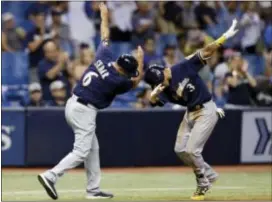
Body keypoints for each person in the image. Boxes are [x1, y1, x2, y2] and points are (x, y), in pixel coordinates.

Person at [37, 3, 144, 200]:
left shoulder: (104, 56)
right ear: (123, 70)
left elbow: (104, 34)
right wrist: (141, 59)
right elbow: (136, 82)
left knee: (92, 149)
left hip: (73, 103)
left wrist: (104, 14)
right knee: (81, 151)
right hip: (84, 110)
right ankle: (51, 175)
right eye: (128, 71)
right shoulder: (116, 80)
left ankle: (93, 190)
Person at [144, 19, 239, 200]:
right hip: (190, 113)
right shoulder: (161, 88)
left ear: (163, 71)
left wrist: (224, 37)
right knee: (180, 149)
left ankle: (203, 183)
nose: (160, 85)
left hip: (206, 109)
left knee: (193, 150)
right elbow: (156, 102)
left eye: (159, 81)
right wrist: (153, 97)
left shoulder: (182, 67)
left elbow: (206, 51)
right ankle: (210, 174)